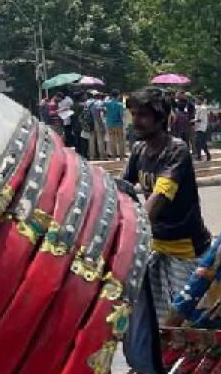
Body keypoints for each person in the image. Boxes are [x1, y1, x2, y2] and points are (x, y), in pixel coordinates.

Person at [122, 89, 212, 322]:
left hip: (185, 251)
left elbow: (159, 197)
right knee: (149, 319)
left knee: (185, 324)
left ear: (161, 119)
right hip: (156, 246)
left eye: (143, 115)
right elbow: (123, 188)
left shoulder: (176, 151)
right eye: (134, 115)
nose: (136, 122)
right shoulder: (139, 150)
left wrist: (133, 225)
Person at [104, 90, 127, 159]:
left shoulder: (107, 103)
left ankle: (113, 156)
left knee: (112, 140)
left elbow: (101, 107)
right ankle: (121, 156)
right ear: (118, 95)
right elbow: (122, 114)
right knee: (120, 140)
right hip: (118, 124)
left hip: (109, 124)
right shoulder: (120, 104)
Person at [86, 91, 107, 160]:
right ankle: (102, 156)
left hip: (89, 122)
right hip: (97, 121)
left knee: (91, 139)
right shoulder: (99, 102)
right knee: (100, 139)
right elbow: (100, 112)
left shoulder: (88, 102)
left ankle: (92, 156)